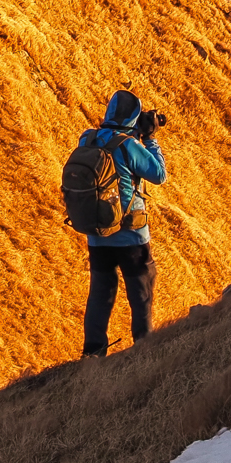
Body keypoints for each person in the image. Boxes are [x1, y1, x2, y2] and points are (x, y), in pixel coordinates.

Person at [74, 89, 165, 357]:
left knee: (100, 293)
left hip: (97, 232)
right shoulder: (129, 145)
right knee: (141, 293)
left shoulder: (87, 138)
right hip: (131, 235)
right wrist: (149, 138)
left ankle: (93, 353)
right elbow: (158, 175)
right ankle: (144, 348)